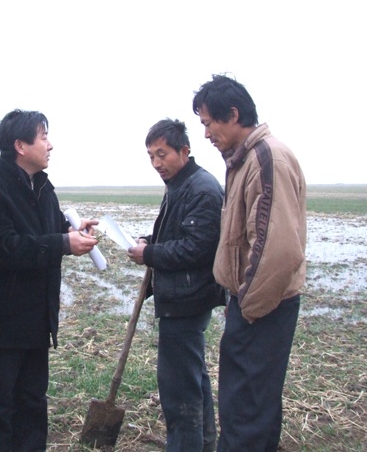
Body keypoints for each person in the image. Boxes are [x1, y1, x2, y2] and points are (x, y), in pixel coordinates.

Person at [0, 109, 98, 451]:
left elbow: (42, 234)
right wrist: (63, 243)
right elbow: (5, 247)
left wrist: (70, 231)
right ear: (20, 146)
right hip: (0, 324)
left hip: (36, 322)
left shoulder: (44, 190)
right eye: (44, 137)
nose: (50, 145)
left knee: (32, 405)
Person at [192, 74, 306, 452]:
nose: (206, 133)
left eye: (209, 122)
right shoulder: (244, 160)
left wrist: (248, 306)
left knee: (246, 410)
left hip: (262, 308)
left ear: (233, 114)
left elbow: (278, 248)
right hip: (252, 303)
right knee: (252, 404)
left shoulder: (265, 158)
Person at [127, 119, 225, 452]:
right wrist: (150, 241)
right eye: (151, 156)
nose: (156, 163)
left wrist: (149, 254)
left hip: (188, 300)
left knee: (179, 390)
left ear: (184, 151)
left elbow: (198, 248)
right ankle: (206, 445)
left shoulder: (201, 189)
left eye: (162, 154)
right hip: (181, 297)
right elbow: (179, 235)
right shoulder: (180, 184)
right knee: (192, 378)